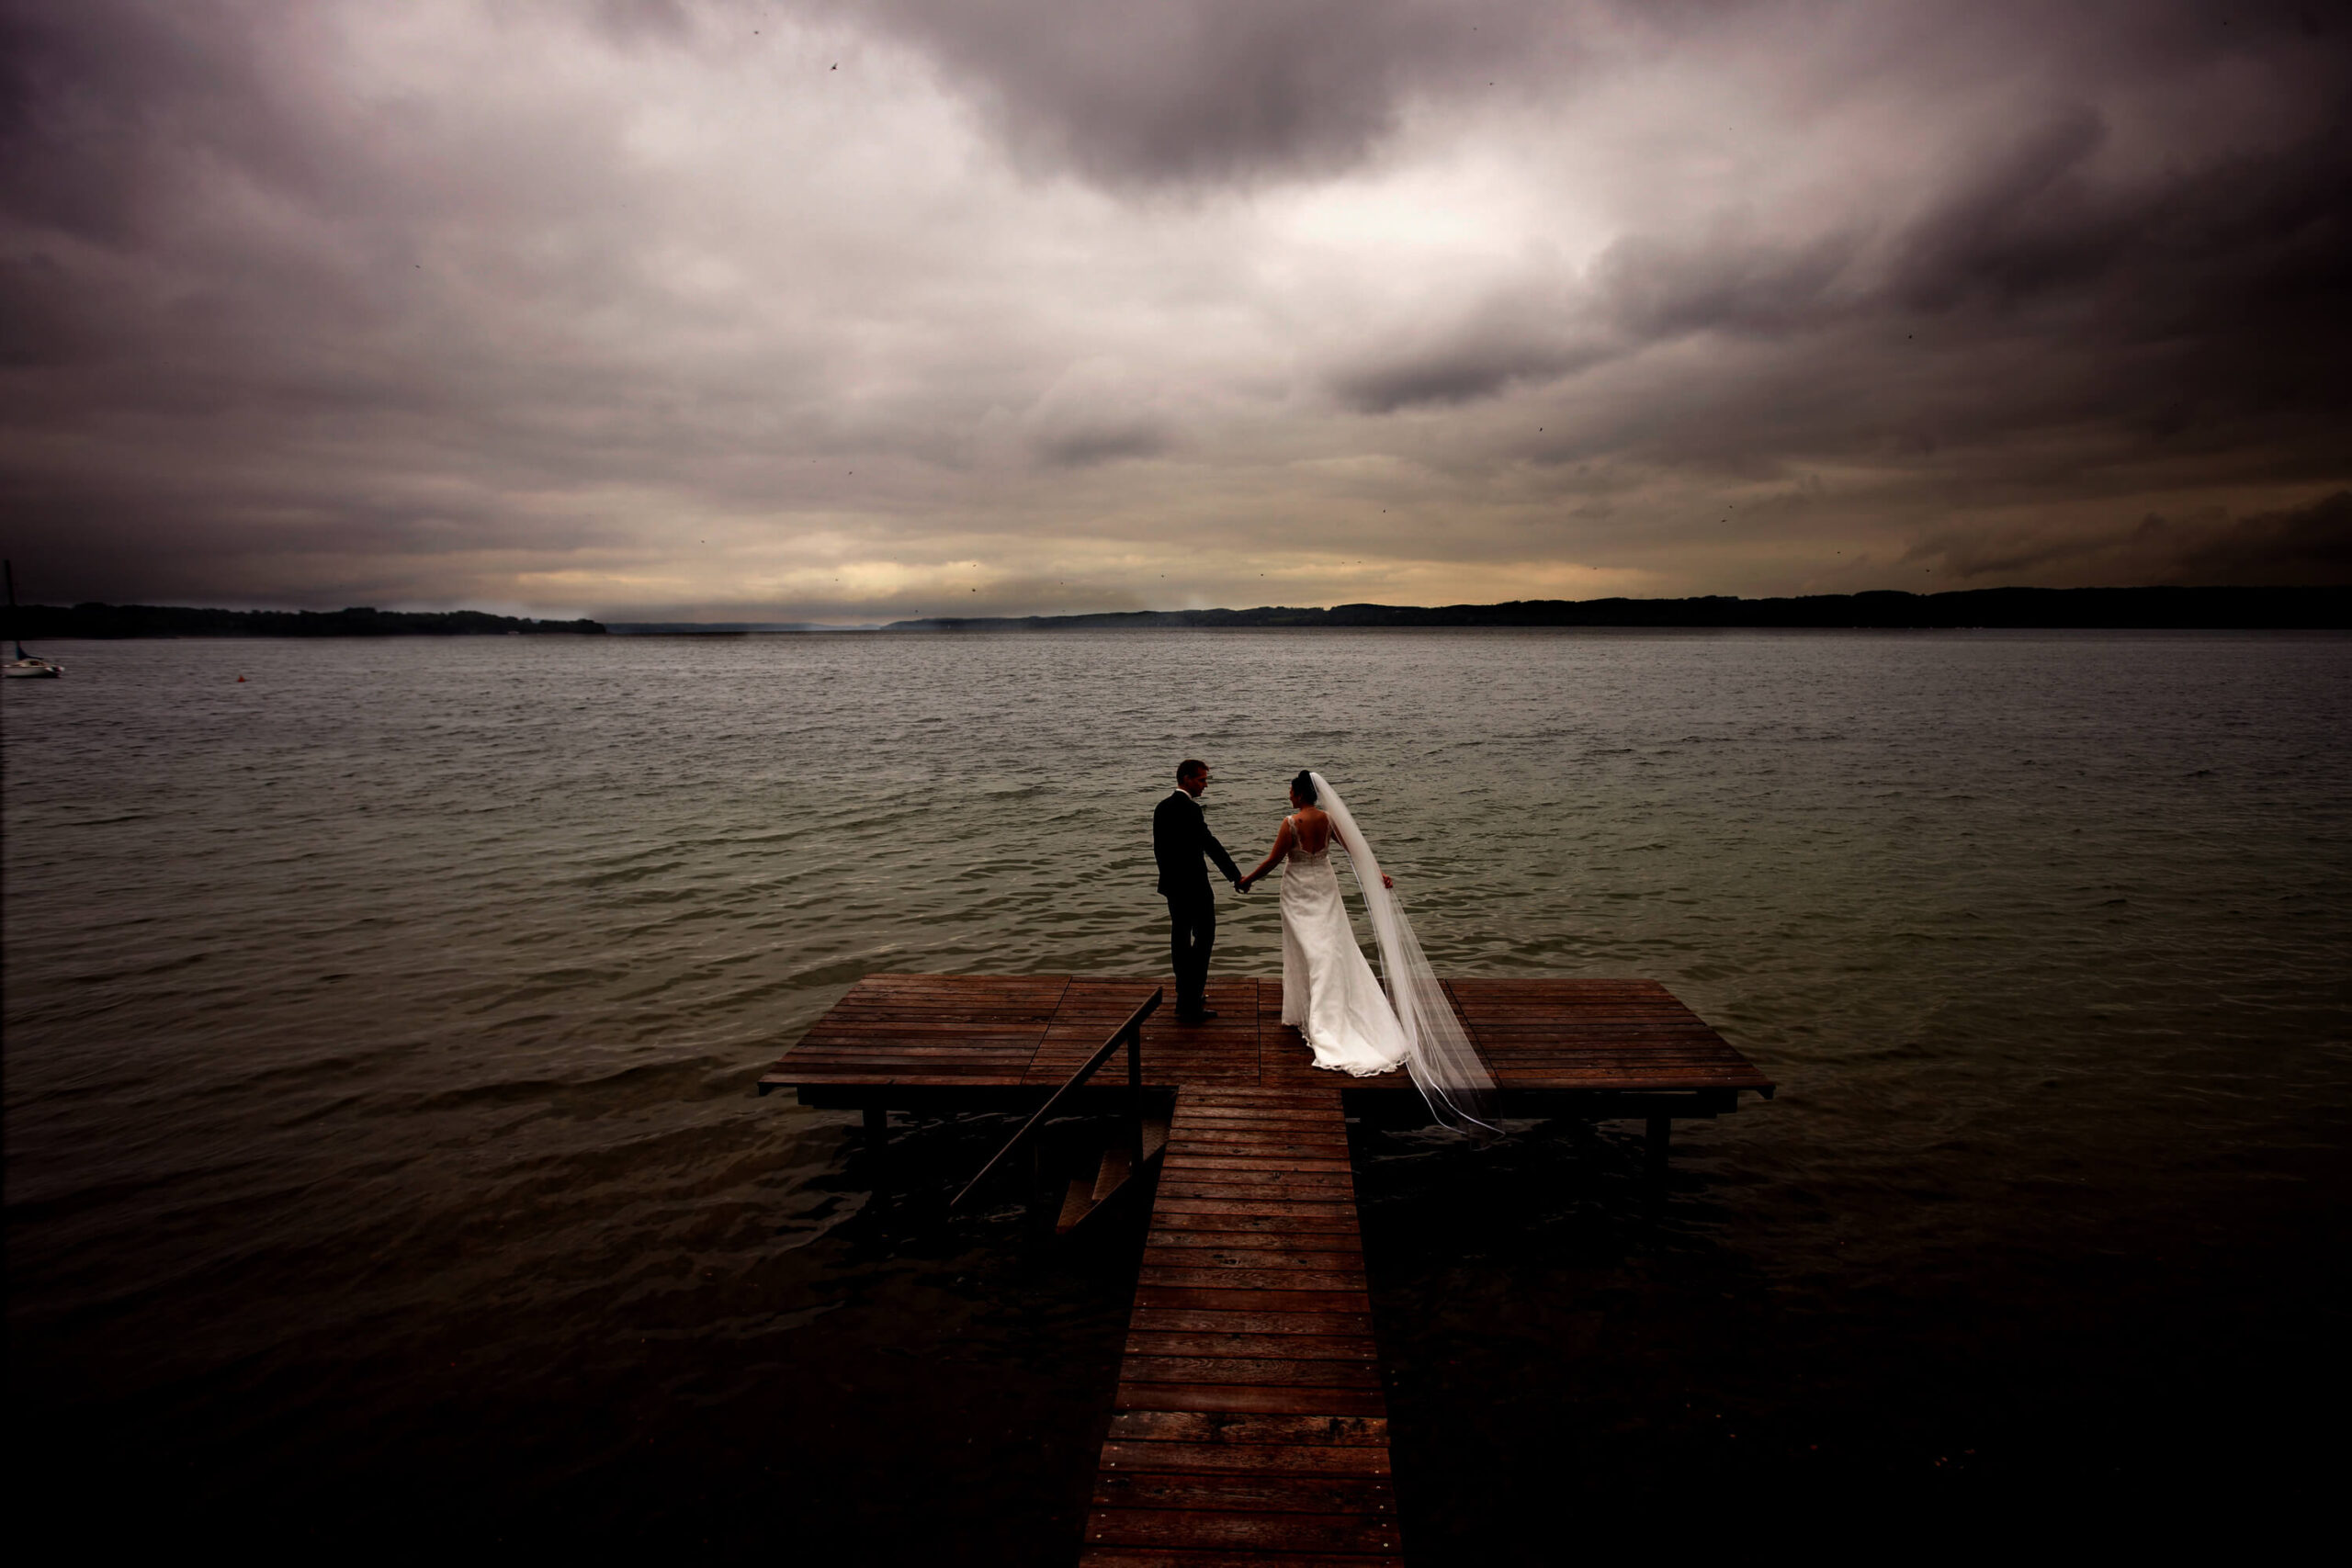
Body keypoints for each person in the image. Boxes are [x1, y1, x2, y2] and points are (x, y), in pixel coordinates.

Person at [1238, 770, 1498, 1133]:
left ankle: (1323, 1020)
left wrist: (1247, 880)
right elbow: (1356, 852)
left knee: (1310, 952)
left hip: (1297, 891)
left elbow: (1272, 861)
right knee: (1330, 949)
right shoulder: (1328, 819)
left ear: (1298, 793)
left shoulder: (1290, 823)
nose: (1289, 795)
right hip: (1325, 888)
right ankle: (1314, 1011)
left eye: (1291, 790)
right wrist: (1379, 874)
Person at [1152, 758, 1244, 1024]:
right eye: (1201, 780)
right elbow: (1209, 844)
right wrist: (1236, 876)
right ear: (1186, 779)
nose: (1205, 786)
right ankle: (1190, 1003)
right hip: (1194, 887)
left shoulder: (1162, 808)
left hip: (1172, 887)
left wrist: (1169, 881)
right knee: (1204, 940)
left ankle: (1185, 995)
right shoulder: (1190, 810)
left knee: (1180, 941)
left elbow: (1160, 851)